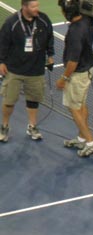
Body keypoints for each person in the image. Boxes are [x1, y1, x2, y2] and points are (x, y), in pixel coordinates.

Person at [0, 0, 54, 142]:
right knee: (9, 100)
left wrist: (50, 55)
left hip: (36, 69)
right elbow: (3, 43)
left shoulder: (44, 19)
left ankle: (32, 126)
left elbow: (50, 38)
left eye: (37, 5)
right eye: (33, 6)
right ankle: (4, 126)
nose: (37, 9)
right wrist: (1, 61)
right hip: (14, 69)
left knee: (33, 100)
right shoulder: (12, 23)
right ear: (24, 7)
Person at [56, 0, 93, 157]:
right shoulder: (88, 20)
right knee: (80, 105)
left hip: (77, 74)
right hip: (87, 70)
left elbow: (73, 61)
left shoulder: (75, 32)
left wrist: (63, 78)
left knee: (74, 108)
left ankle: (90, 142)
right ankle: (81, 138)